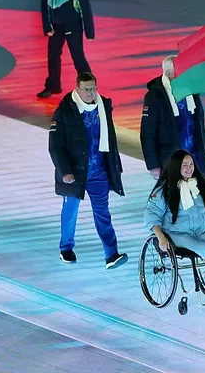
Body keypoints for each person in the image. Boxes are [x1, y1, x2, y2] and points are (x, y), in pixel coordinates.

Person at [49, 72, 128, 269]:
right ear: (77, 89)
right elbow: (55, 146)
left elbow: (111, 139)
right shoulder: (64, 111)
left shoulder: (103, 107)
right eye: (86, 89)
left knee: (103, 212)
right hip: (74, 173)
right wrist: (64, 171)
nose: (90, 93)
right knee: (70, 211)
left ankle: (111, 254)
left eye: (93, 88)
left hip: (99, 171)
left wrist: (114, 165)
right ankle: (66, 248)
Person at [144, 150, 205, 263]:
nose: (189, 168)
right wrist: (161, 237)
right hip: (178, 235)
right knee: (204, 248)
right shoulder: (163, 191)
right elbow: (152, 215)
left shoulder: (202, 187)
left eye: (191, 164)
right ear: (176, 167)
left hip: (204, 232)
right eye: (184, 165)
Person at [37, 0, 94, 98]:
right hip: (56, 24)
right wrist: (46, 25)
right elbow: (44, 1)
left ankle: (89, 88)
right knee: (53, 55)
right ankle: (53, 86)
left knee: (77, 56)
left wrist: (89, 30)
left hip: (72, 23)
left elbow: (84, 2)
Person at [141, 56, 205, 179]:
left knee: (198, 190)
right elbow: (147, 133)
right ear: (169, 74)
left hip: (195, 157)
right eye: (181, 71)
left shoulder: (192, 91)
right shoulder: (154, 96)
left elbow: (199, 124)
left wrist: (203, 153)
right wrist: (153, 165)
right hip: (171, 159)